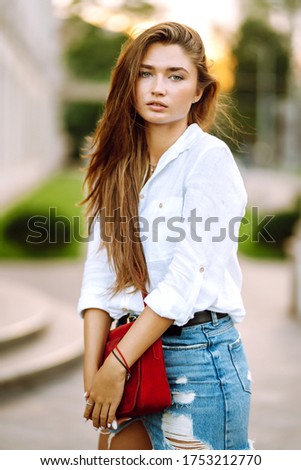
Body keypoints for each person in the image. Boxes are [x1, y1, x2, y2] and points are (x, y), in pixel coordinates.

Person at [78, 21, 252, 450]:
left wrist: (115, 365)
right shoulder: (117, 166)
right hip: (130, 356)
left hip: (198, 359)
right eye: (146, 73)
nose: (158, 87)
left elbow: (183, 279)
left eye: (175, 76)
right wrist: (94, 375)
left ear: (198, 92)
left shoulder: (209, 160)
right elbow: (99, 277)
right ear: (130, 82)